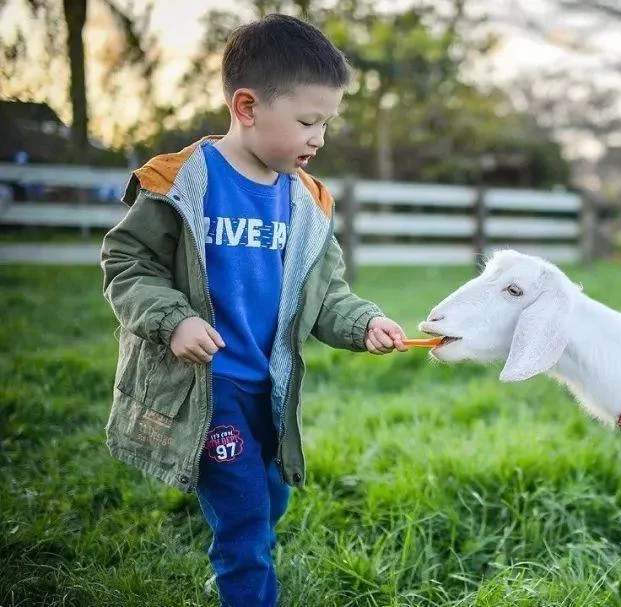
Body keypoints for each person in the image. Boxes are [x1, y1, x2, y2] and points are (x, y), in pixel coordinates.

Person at [99, 14, 408, 606]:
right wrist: (174, 320)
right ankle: (245, 585)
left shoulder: (307, 202)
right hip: (206, 388)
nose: (319, 138)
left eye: (326, 124)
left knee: (270, 498)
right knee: (244, 518)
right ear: (246, 106)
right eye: (308, 121)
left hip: (268, 388)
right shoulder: (180, 184)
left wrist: (364, 321)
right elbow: (128, 264)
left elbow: (329, 295)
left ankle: (241, 556)